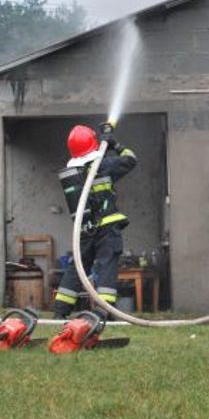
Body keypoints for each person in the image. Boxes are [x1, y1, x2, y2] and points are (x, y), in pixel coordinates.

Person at [52, 121, 138, 320]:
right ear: (93, 143)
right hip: (107, 228)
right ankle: (103, 312)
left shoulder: (72, 174)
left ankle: (59, 313)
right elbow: (131, 159)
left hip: (84, 230)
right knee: (107, 265)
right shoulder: (103, 165)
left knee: (77, 268)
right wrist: (115, 144)